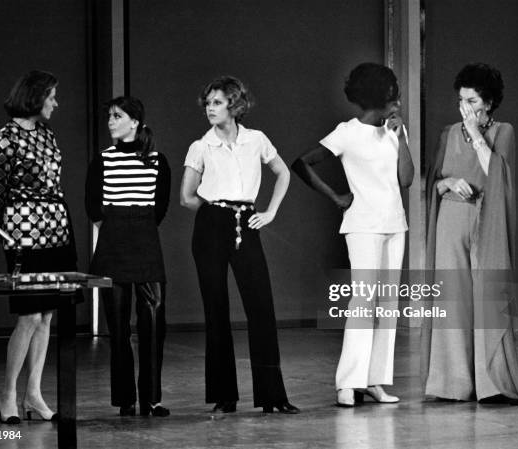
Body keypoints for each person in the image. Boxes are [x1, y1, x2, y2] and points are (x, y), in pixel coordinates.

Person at [292, 62, 413, 407]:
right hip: (362, 226)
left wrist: (401, 135)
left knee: (387, 305)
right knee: (363, 302)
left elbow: (406, 179)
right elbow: (301, 162)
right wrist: (336, 197)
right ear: (381, 97)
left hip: (395, 224)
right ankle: (348, 382)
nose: (398, 101)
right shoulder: (346, 132)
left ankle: (374, 380)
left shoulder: (395, 130)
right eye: (394, 96)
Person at [180, 76, 299, 414]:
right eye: (207, 103)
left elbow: (283, 172)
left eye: (217, 102)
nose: (210, 108)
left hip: (247, 222)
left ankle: (273, 397)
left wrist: (271, 211)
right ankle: (224, 397)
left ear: (234, 105)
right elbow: (186, 197)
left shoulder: (256, 140)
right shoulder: (200, 146)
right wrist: (215, 213)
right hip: (212, 224)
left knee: (261, 307)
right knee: (215, 310)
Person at [421, 63, 518, 405]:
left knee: (489, 298)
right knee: (452, 299)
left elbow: (497, 174)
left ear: (489, 102)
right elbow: (432, 184)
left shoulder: (504, 132)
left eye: (471, 100)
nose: (464, 107)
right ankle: (452, 384)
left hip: (487, 218)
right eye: (461, 100)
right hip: (451, 217)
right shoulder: (448, 133)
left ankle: (492, 384)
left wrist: (477, 134)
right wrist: (448, 182)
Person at [0, 70, 78, 423]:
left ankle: (34, 395)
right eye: (51, 96)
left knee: (47, 315)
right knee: (28, 314)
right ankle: (7, 394)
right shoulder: (7, 138)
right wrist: (11, 232)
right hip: (24, 232)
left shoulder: (47, 135)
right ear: (35, 97)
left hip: (55, 229)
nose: (55, 103)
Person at [85, 96, 171, 417]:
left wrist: (139, 227)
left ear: (134, 122)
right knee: (118, 328)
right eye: (109, 116)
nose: (110, 121)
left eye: (117, 116)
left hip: (146, 243)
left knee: (153, 324)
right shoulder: (102, 160)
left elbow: (160, 205)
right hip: (113, 244)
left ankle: (152, 397)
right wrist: (115, 229)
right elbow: (92, 205)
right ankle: (125, 399)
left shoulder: (157, 160)